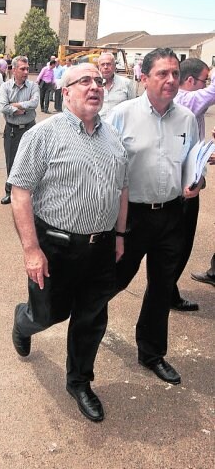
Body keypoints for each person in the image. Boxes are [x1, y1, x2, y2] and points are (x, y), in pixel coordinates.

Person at [9, 63, 128, 422]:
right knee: (49, 313)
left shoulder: (114, 137)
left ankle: (79, 381)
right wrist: (31, 250)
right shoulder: (43, 136)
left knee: (91, 318)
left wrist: (120, 235)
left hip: (102, 247)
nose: (95, 86)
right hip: (55, 247)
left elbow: (122, 189)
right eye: (85, 81)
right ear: (66, 92)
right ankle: (23, 320)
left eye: (99, 81)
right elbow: (20, 193)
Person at [106, 48, 200, 386]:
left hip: (172, 215)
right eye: (163, 73)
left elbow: (192, 166)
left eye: (175, 73)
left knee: (162, 287)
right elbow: (105, 167)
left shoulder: (187, 119)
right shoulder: (121, 115)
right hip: (131, 218)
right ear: (143, 78)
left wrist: (196, 181)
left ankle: (151, 353)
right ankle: (85, 333)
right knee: (112, 283)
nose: (171, 80)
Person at [170, 59, 215, 310]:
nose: (206, 85)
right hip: (186, 184)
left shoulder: (182, 102)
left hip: (183, 178)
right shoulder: (187, 99)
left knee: (175, 242)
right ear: (190, 81)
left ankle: (167, 288)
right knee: (180, 242)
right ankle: (166, 291)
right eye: (203, 80)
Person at [0, 56, 39, 205]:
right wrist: (19, 109)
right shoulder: (5, 87)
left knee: (31, 162)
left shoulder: (33, 86)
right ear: (14, 70)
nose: (26, 72)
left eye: (27, 68)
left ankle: (29, 194)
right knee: (11, 162)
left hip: (30, 128)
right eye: (22, 69)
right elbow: (3, 107)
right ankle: (10, 192)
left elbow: (34, 103)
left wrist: (16, 105)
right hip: (12, 131)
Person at [97, 52, 136, 118]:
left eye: (108, 64)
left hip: (120, 126)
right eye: (102, 64)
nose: (105, 67)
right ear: (99, 67)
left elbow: (134, 107)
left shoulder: (126, 83)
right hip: (100, 126)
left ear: (114, 66)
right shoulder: (94, 85)